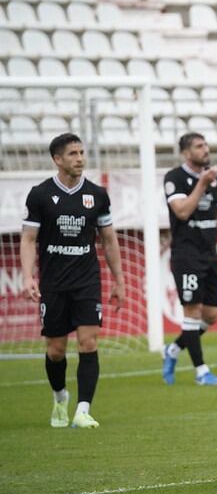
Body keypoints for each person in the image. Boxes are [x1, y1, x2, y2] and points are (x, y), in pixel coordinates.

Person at [20, 133, 126, 429]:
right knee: (55, 350)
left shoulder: (97, 194)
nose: (80, 158)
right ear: (57, 159)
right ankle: (59, 398)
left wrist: (119, 280)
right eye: (73, 153)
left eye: (81, 152)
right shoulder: (40, 194)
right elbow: (28, 239)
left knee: (88, 343)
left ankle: (82, 410)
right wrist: (28, 276)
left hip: (86, 281)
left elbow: (109, 240)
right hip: (53, 283)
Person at [161, 132, 217, 386]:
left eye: (205, 144)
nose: (205, 149)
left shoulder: (216, 178)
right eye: (198, 146)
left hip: (209, 254)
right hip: (187, 255)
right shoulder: (174, 178)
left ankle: (173, 350)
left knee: (212, 315)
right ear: (186, 153)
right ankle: (201, 371)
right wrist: (202, 183)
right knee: (192, 311)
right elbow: (182, 212)